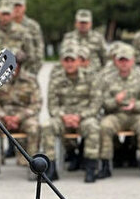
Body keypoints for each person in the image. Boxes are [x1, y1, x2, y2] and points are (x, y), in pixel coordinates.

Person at [41, 44, 102, 183]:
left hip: (84, 117)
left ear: (79, 61)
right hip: (63, 118)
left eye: (72, 60)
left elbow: (96, 103)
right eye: (66, 60)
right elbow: (52, 106)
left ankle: (90, 168)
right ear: (62, 62)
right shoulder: (56, 78)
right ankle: (51, 168)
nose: (69, 64)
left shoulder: (90, 77)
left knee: (93, 126)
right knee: (47, 126)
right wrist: (64, 116)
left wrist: (80, 116)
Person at [98, 44, 140, 180]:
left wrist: (135, 105)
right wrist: (116, 101)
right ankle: (105, 165)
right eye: (121, 60)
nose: (124, 63)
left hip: (136, 114)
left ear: (133, 61)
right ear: (116, 62)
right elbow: (104, 104)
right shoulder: (107, 78)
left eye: (127, 60)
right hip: (116, 114)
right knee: (104, 126)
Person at [0, 58, 42, 182]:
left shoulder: (30, 80)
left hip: (24, 117)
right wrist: (5, 117)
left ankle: (32, 166)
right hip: (4, 116)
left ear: (19, 65)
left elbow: (36, 104)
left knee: (34, 127)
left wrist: (18, 118)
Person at [10, 0, 44, 75]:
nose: (17, 8)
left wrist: (33, 71)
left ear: (25, 7)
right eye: (14, 5)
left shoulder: (33, 26)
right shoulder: (4, 25)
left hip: (28, 72)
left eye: (19, 6)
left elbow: (39, 49)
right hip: (5, 74)